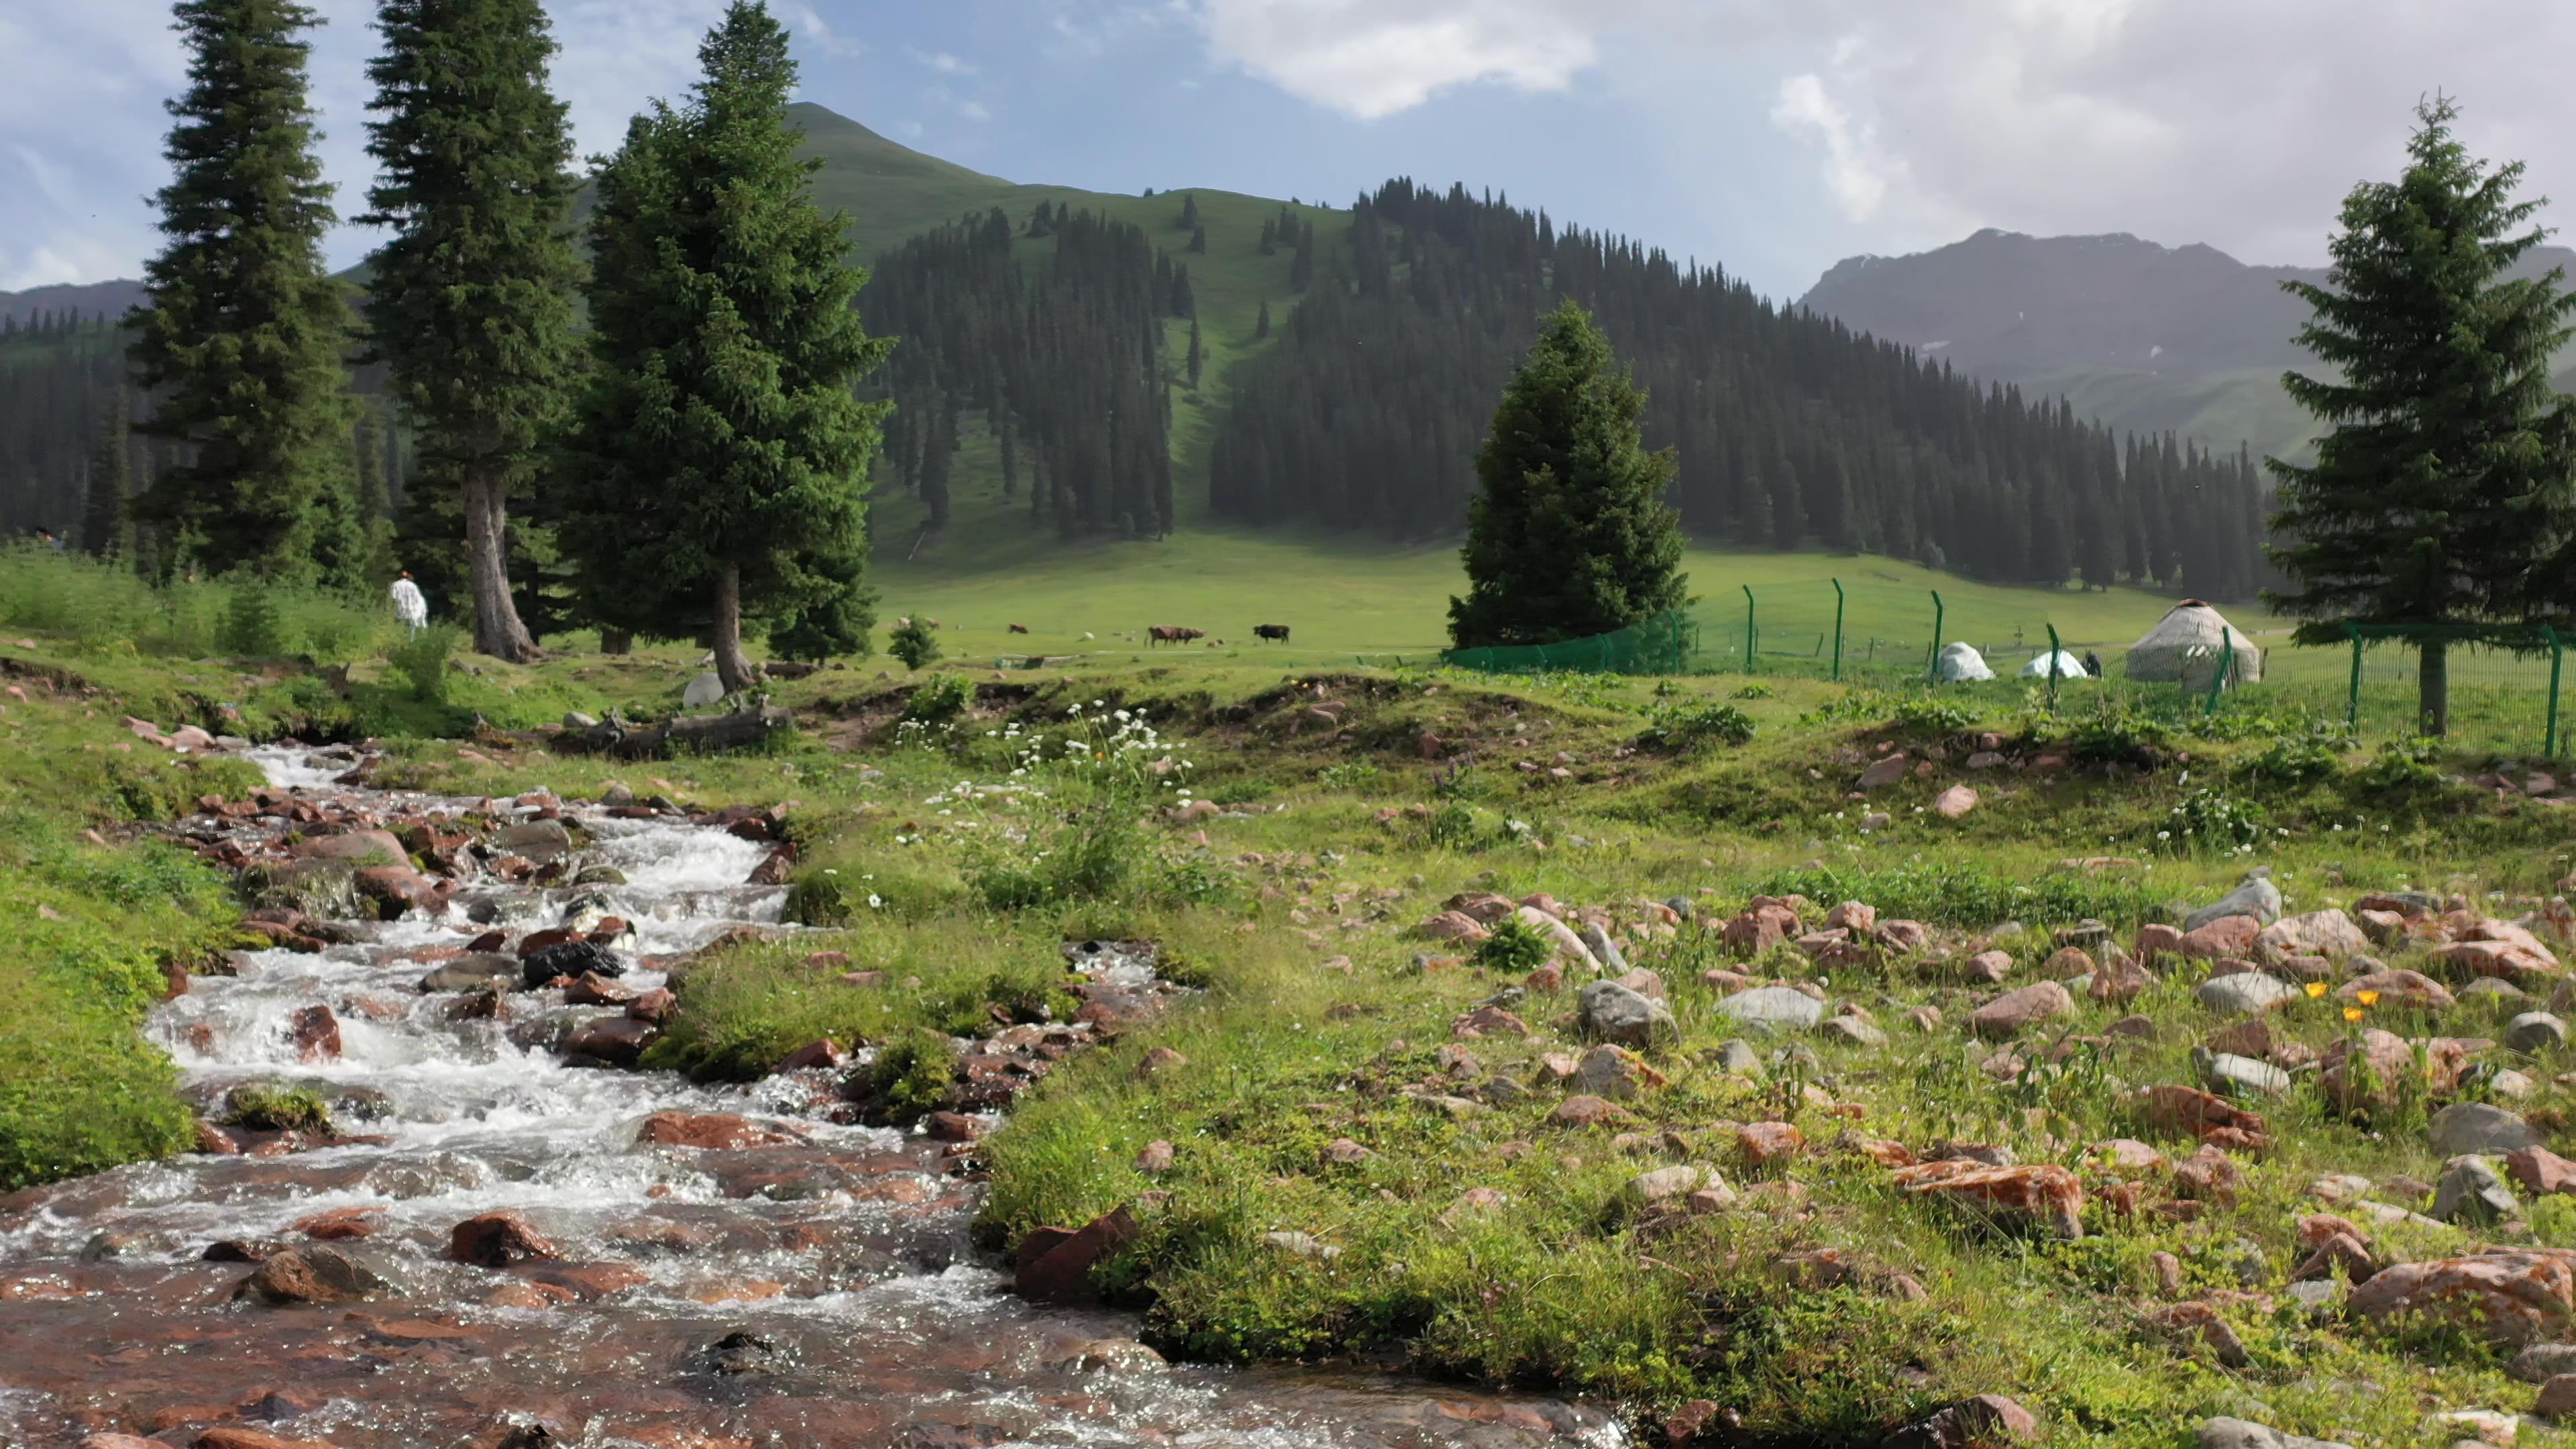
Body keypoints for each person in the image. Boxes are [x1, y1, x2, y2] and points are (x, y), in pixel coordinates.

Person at [389, 572, 428, 638]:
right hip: (411, 613)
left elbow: (392, 598)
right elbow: (418, 599)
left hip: (399, 612)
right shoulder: (413, 586)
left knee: (398, 632)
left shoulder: (395, 585)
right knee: (411, 633)